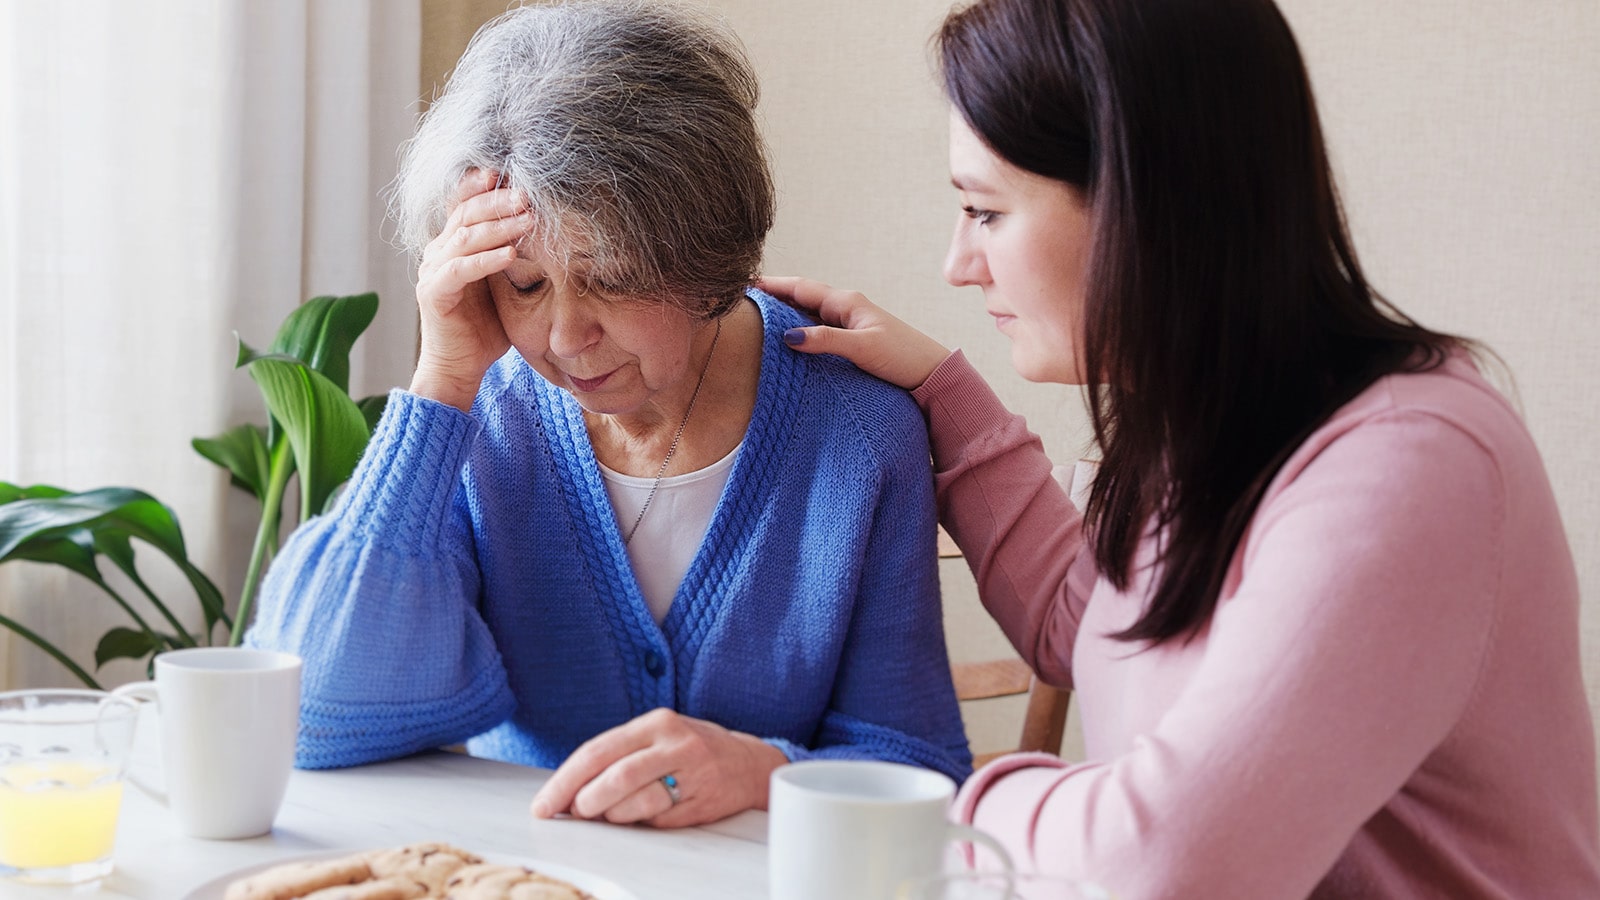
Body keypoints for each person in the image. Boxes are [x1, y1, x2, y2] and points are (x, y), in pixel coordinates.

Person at [764, 0, 1600, 895]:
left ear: (1142, 203)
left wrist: (944, 802)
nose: (957, 264)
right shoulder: (1211, 431)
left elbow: (1165, 862)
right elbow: (1082, 630)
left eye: (985, 211)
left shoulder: (1410, 469)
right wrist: (942, 392)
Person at [244, 0, 971, 829]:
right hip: (522, 876)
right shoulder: (481, 417)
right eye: (523, 285)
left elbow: (920, 768)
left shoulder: (859, 435)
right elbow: (314, 716)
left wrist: (767, 771)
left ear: (704, 252)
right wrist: (441, 381)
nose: (564, 337)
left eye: (613, 277)